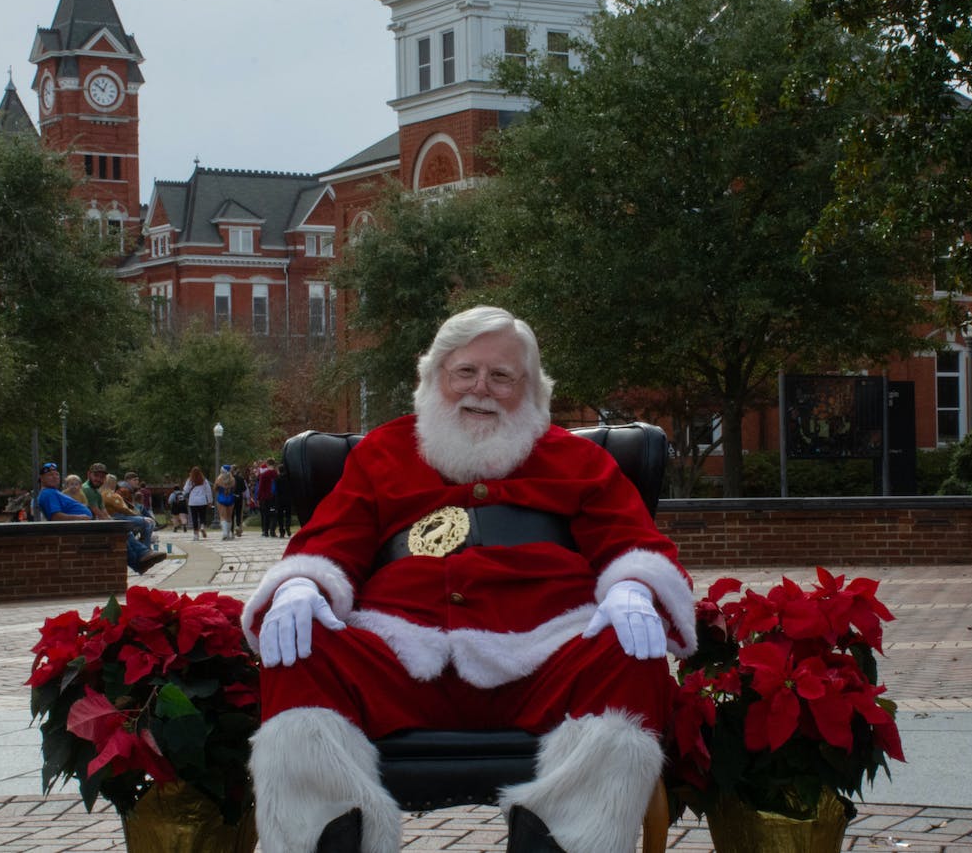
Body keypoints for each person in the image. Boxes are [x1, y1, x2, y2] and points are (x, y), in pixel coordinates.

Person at [244, 306, 695, 853]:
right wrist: (302, 584)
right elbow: (332, 536)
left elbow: (633, 540)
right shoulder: (383, 453)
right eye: (465, 372)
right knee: (301, 649)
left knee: (630, 652)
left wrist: (633, 587)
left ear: (530, 390)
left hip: (547, 657)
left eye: (501, 376)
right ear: (435, 377)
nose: (480, 389)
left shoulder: (577, 460)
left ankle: (569, 840)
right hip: (397, 657)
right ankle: (328, 839)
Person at [104, 475, 166, 573]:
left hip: (120, 517)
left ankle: (145, 552)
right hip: (116, 517)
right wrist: (140, 517)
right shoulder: (109, 493)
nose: (137, 481)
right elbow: (122, 508)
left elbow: (127, 506)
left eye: (137, 479)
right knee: (145, 523)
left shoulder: (115, 492)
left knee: (145, 524)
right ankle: (145, 552)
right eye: (135, 480)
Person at [184, 466, 212, 540]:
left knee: (194, 518)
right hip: (202, 501)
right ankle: (202, 526)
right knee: (202, 516)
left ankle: (196, 535)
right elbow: (208, 491)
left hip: (193, 502)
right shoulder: (204, 480)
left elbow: (186, 490)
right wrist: (210, 501)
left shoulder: (189, 480)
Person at [213, 464, 237, 540]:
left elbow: (215, 488)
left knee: (222, 516)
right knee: (229, 517)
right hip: (230, 498)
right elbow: (234, 489)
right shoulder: (232, 479)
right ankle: (229, 534)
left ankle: (225, 533)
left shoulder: (219, 479)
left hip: (221, 497)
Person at [256, 459, 279, 538]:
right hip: (274, 497)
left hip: (265, 497)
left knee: (266, 514)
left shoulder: (264, 474)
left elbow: (261, 487)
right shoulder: (276, 474)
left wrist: (258, 498)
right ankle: (273, 531)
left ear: (267, 464)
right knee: (274, 514)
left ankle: (266, 531)